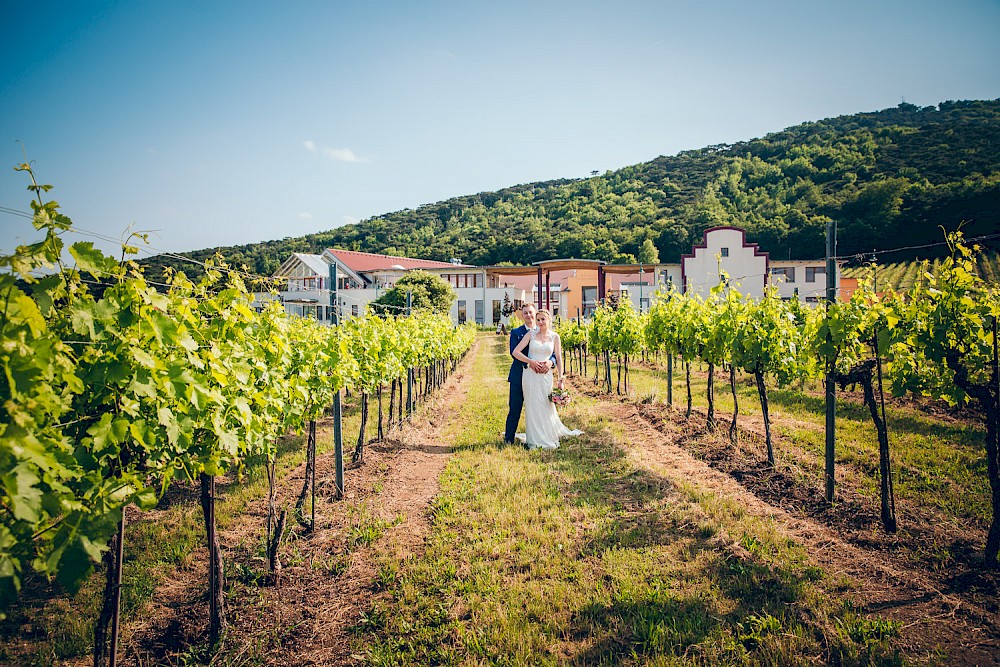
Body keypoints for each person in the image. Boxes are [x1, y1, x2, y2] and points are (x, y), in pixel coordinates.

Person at [510, 308, 583, 449]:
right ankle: (534, 439)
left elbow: (559, 359)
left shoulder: (555, 337)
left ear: (549, 320)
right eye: (538, 320)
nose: (540, 322)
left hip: (546, 376)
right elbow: (515, 352)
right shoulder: (531, 334)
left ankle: (547, 435)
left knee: (545, 405)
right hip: (530, 376)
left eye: (543, 319)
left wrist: (560, 378)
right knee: (532, 406)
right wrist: (530, 362)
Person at [503, 304, 554, 445]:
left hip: (539, 377)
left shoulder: (544, 331)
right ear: (522, 315)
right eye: (525, 313)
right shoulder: (516, 332)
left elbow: (553, 353)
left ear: (535, 313)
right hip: (519, 376)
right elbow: (514, 353)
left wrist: (551, 362)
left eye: (530, 312)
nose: (528, 315)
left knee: (540, 407)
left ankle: (539, 435)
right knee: (515, 407)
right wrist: (530, 363)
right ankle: (509, 438)